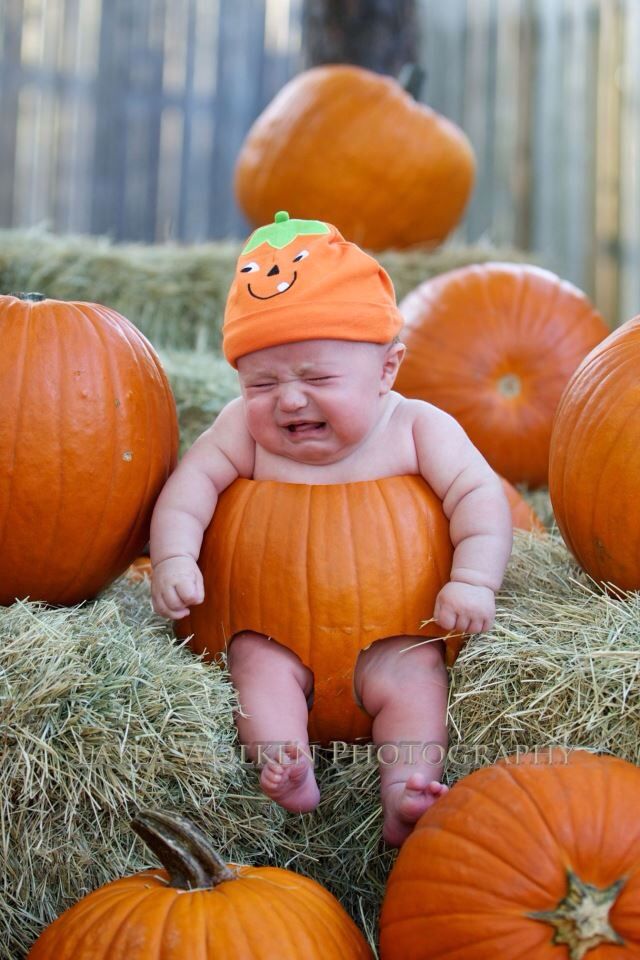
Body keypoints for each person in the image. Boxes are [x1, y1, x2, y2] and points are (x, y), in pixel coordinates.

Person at [150, 212, 512, 847]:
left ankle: (407, 790)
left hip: (393, 633)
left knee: (417, 678)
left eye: (317, 378)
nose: (288, 400)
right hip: (271, 623)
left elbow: (479, 497)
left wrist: (474, 582)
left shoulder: (417, 428)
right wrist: (175, 558)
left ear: (387, 369)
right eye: (262, 382)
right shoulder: (241, 429)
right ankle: (285, 762)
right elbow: (189, 489)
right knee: (254, 665)